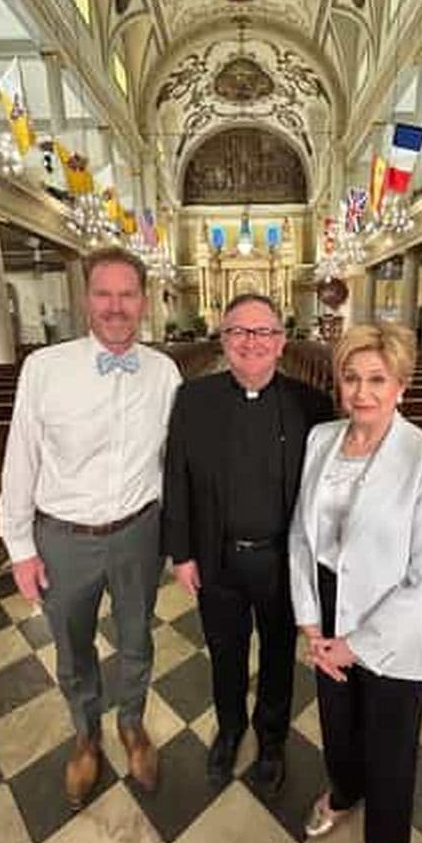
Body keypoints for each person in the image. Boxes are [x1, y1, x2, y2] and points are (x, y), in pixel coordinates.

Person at [289, 322, 422, 843]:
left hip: (396, 624)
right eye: (351, 378)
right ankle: (342, 791)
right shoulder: (321, 440)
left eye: (377, 380)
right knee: (337, 723)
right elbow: (302, 537)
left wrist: (355, 643)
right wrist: (310, 618)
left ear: (401, 386)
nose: (362, 392)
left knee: (391, 756)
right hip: (329, 608)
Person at [0, 247, 181, 807]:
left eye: (127, 295)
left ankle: (130, 723)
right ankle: (86, 735)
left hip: (137, 534)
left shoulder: (164, 372)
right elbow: (20, 458)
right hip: (63, 538)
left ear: (144, 302)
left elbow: (176, 462)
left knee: (136, 639)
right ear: (86, 299)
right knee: (73, 649)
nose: (116, 307)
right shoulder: (45, 369)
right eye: (104, 294)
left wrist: (181, 542)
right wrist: (20, 547)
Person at [163, 294, 333, 794]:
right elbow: (176, 477)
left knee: (280, 655)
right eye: (238, 332)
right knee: (226, 653)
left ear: (281, 343)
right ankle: (231, 728)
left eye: (263, 333)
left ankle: (272, 737)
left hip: (283, 560)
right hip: (217, 558)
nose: (250, 343)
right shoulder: (195, 399)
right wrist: (182, 553)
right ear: (224, 340)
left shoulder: (312, 404)